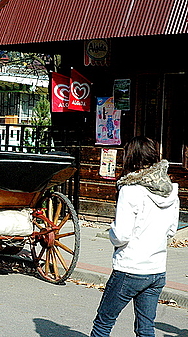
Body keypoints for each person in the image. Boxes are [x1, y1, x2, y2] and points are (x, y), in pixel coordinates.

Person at [90, 136, 179, 337]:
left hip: (129, 268)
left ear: (131, 159)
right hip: (157, 270)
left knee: (103, 324)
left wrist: (111, 232)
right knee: (146, 329)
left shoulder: (130, 190)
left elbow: (121, 235)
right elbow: (171, 230)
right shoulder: (171, 191)